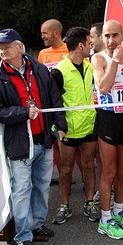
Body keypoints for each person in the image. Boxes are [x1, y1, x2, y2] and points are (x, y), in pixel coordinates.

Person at [0, 28, 67, 245]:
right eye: (0, 47)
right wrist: (23, 113)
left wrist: (61, 126)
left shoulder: (40, 69)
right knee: (21, 190)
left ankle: (37, 224)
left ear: (19, 47)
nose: (2, 51)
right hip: (21, 144)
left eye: (7, 46)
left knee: (41, 187)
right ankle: (23, 236)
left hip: (44, 139)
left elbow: (54, 99)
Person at [91, 20, 123, 240]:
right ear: (102, 38)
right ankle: (105, 218)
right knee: (109, 171)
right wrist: (114, 62)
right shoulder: (99, 58)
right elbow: (102, 87)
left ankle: (119, 212)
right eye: (106, 36)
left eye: (115, 35)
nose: (111, 41)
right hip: (108, 118)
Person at [50, 27, 99, 224]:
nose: (91, 46)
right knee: (66, 169)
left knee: (88, 166)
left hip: (89, 127)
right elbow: (52, 103)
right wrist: (59, 126)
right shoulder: (58, 71)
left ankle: (89, 203)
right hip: (68, 130)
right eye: (89, 42)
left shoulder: (90, 67)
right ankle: (64, 205)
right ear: (81, 45)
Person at [38, 19, 83, 185]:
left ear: (56, 33)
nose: (42, 36)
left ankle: (85, 178)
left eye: (45, 33)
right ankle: (64, 175)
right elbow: (41, 80)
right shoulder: (43, 54)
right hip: (53, 107)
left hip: (72, 105)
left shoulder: (70, 49)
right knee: (56, 143)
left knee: (78, 146)